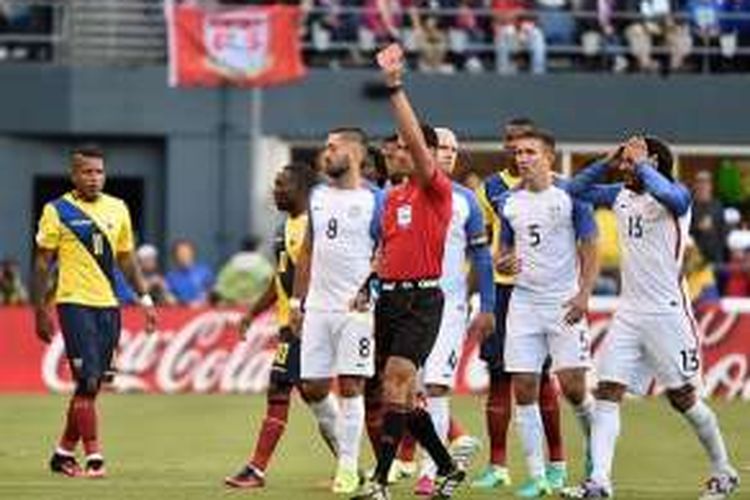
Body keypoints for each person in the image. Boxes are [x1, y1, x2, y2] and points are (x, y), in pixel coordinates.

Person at [561, 136, 739, 499]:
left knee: (683, 398)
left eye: (632, 162)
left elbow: (672, 197)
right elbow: (575, 191)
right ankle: (600, 482)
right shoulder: (620, 194)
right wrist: (608, 161)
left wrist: (641, 164)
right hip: (629, 313)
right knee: (607, 391)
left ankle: (724, 472)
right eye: (625, 163)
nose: (626, 168)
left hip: (668, 314)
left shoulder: (678, 197)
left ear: (653, 163)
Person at [352, 43, 493, 500]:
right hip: (389, 298)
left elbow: (414, 137)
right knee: (403, 395)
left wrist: (395, 89)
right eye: (391, 146)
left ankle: (379, 482)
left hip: (422, 300)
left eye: (401, 145)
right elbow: (385, 252)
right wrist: (368, 285)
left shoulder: (437, 191)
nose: (394, 150)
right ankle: (449, 466)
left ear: (422, 153)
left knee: (395, 380)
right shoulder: (390, 199)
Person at [33, 145, 156, 478]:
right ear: (74, 175)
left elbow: (127, 259)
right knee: (86, 380)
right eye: (87, 172)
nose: (94, 178)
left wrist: (145, 300)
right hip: (74, 303)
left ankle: (61, 454)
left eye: (99, 172)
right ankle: (94, 456)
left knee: (93, 384)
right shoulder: (56, 210)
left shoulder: (118, 208)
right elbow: (43, 262)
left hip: (109, 306)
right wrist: (40, 310)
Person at [494, 129, 599, 498]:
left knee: (573, 388)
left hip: (563, 301)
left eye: (530, 152)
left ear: (549, 157)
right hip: (523, 302)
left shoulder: (572, 195)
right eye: (518, 152)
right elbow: (503, 253)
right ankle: (537, 477)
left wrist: (584, 293)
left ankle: (595, 456)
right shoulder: (508, 202)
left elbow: (590, 245)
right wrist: (504, 262)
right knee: (523, 387)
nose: (522, 158)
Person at [224, 162, 338, 489]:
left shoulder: (311, 227)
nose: (275, 190)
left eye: (281, 184)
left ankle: (257, 469)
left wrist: (308, 314)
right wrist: (252, 313)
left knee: (283, 389)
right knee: (310, 396)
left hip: (307, 323)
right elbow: (281, 277)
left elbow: (318, 276)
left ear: (301, 189)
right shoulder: (284, 226)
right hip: (291, 322)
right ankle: (349, 466)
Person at [473, 118, 568, 491]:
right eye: (510, 142)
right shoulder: (492, 189)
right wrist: (482, 294)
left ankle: (557, 462)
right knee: (498, 377)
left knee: (542, 379)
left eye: (524, 144)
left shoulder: (559, 187)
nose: (516, 150)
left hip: (542, 293)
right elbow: (483, 247)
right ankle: (498, 466)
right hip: (503, 291)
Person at [290, 127, 384, 494]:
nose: (326, 153)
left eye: (333, 147)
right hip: (317, 308)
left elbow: (387, 252)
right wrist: (298, 302)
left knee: (351, 385)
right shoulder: (317, 195)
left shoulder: (376, 199)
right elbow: (308, 250)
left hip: (356, 311)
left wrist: (369, 290)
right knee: (312, 387)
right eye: (325, 146)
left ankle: (347, 467)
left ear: (356, 154)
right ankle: (350, 458)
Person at [411, 126, 494, 496]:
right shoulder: (401, 195)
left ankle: (429, 470)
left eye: (453, 149)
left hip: (448, 307)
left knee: (437, 386)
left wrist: (487, 305)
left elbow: (481, 256)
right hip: (406, 306)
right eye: (441, 147)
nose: (447, 154)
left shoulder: (466, 201)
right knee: (406, 390)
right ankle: (409, 460)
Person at [213, 235, 274, 306]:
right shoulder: (263, 265)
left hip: (231, 306)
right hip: (255, 307)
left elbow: (219, 287)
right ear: (257, 248)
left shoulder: (230, 265)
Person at [165, 239, 215, 306]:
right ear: (175, 256)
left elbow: (212, 293)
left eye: (186, 252)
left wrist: (203, 301)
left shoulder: (204, 272)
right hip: (181, 311)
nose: (184, 256)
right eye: (180, 253)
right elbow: (169, 297)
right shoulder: (171, 276)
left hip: (202, 311)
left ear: (192, 253)